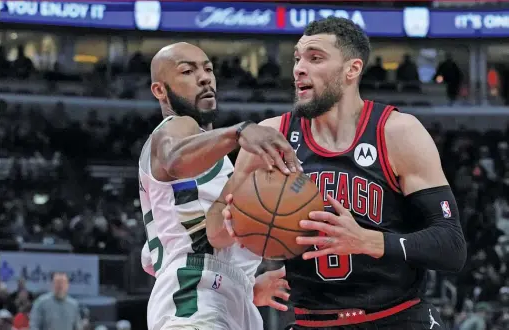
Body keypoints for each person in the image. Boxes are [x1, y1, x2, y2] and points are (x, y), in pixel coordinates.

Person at [210, 17, 467, 329]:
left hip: (395, 318)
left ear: (352, 69)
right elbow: (216, 234)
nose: (299, 68)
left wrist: (369, 241)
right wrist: (234, 222)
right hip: (310, 320)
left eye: (315, 58)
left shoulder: (397, 132)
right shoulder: (271, 137)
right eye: (297, 58)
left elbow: (451, 246)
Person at [139, 42, 300, 330]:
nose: (204, 77)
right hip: (194, 296)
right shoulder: (176, 127)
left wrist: (244, 283)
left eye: (208, 69)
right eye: (187, 71)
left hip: (219, 294)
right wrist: (239, 131)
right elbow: (174, 158)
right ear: (160, 90)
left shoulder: (213, 160)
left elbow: (158, 256)